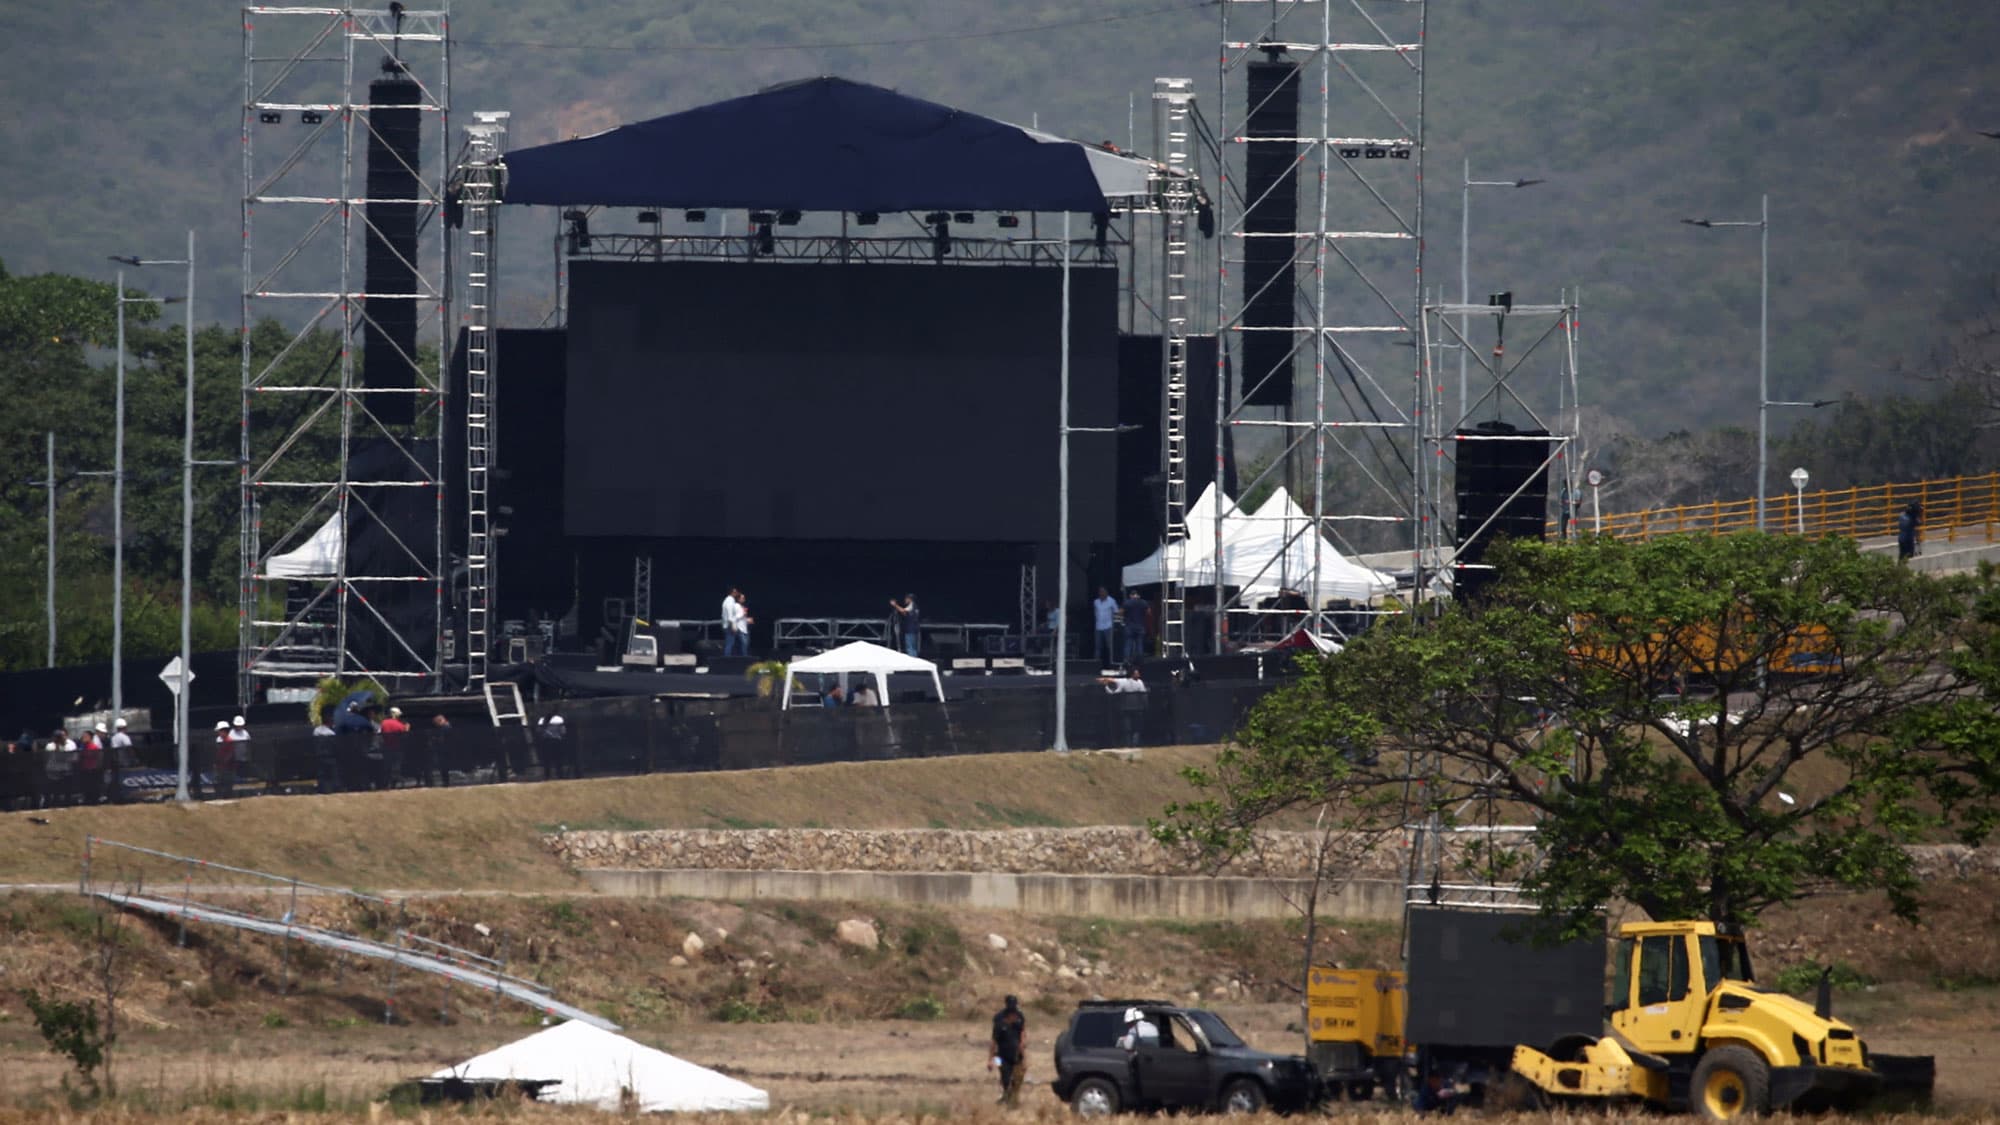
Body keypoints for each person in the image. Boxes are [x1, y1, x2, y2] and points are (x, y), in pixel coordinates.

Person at [988, 994, 1029, 1106]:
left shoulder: (1020, 1015)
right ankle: (1006, 1096)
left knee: (1017, 1078)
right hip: (1000, 1056)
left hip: (1016, 1054)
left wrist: (1023, 1042)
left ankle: (1010, 1100)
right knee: (1005, 1077)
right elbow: (993, 1041)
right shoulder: (999, 1020)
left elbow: (1023, 1031)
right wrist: (990, 1060)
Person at [379, 706, 410, 786]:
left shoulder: (384, 722)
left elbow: (380, 732)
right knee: (396, 766)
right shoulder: (399, 725)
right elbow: (405, 734)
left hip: (386, 748)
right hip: (397, 748)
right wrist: (407, 729)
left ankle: (386, 783)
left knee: (387, 766)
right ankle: (394, 783)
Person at [77, 725, 107, 806]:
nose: (83, 738)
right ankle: (87, 800)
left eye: (85, 736)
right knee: (86, 788)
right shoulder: (82, 747)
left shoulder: (94, 747)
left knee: (93, 787)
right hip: (84, 770)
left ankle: (94, 801)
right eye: (83, 736)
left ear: (90, 737)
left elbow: (99, 758)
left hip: (93, 771)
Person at [108, 718, 134, 803]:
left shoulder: (113, 738)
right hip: (124, 762)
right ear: (124, 727)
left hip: (115, 762)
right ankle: (125, 796)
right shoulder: (125, 737)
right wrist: (133, 758)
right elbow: (129, 749)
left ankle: (116, 796)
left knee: (116, 780)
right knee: (125, 779)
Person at [722, 587, 752, 657]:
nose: (736, 593)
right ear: (733, 593)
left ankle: (730, 658)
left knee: (732, 643)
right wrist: (733, 625)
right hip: (730, 625)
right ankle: (727, 660)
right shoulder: (730, 602)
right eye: (735, 592)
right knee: (731, 643)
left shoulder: (732, 602)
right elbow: (731, 616)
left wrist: (747, 619)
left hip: (734, 625)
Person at [1121, 589, 1150, 662]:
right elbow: (1149, 612)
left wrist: (1125, 616)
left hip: (1129, 626)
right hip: (1140, 626)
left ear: (1131, 595)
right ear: (1137, 595)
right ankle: (1140, 661)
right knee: (1139, 644)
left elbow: (1120, 612)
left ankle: (1127, 660)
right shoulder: (1143, 602)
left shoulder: (1127, 603)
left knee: (1128, 644)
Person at [1091, 588, 1118, 666]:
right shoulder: (1096, 602)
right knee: (1097, 646)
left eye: (1103, 592)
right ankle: (1096, 664)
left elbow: (1116, 612)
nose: (1101, 594)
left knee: (1109, 646)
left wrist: (1114, 624)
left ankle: (1111, 664)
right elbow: (1095, 613)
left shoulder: (1111, 601)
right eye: (1100, 592)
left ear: (1106, 593)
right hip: (1098, 626)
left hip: (1108, 626)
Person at [211, 720, 237, 799]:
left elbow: (230, 754)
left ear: (224, 731)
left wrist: (224, 763)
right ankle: (221, 797)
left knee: (226, 784)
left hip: (227, 767)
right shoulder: (222, 741)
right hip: (222, 767)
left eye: (219, 731)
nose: (219, 733)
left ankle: (225, 797)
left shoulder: (229, 741)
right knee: (218, 782)